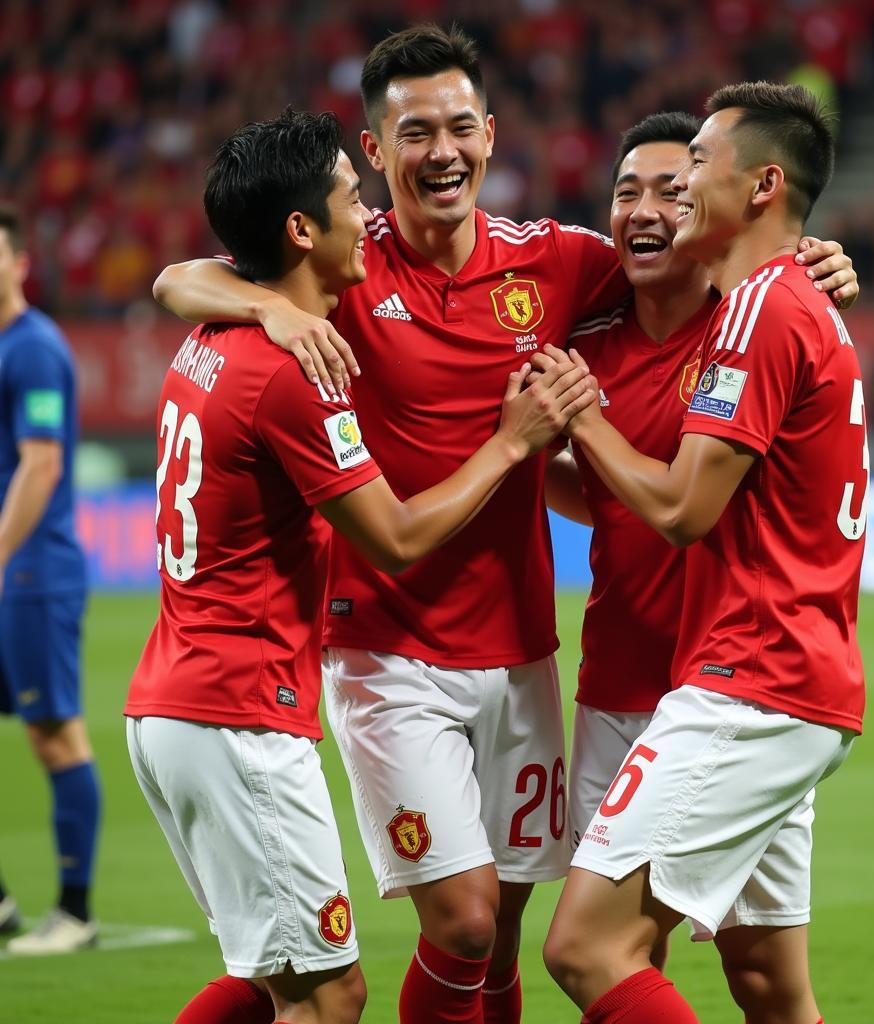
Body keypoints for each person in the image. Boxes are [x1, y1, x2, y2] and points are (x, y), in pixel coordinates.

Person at [152, 26, 858, 1023]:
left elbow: (696, 264)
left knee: (501, 936)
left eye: (458, 127)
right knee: (464, 922)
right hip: (387, 646)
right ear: (373, 148)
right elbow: (177, 281)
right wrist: (268, 310)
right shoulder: (346, 273)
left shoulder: (559, 265)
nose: (440, 151)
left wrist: (810, 256)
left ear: (489, 132)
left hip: (521, 650)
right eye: (413, 133)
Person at [126, 107, 594, 1024]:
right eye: (350, 198)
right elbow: (399, 536)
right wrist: (513, 445)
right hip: (239, 713)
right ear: (303, 228)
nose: (366, 220)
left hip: (180, 702)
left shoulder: (214, 342)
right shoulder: (290, 369)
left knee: (273, 981)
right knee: (329, 997)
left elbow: (180, 283)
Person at [540, 82, 868, 1024]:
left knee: (587, 948)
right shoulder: (791, 298)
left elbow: (683, 509)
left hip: (749, 675)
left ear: (762, 185)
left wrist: (585, 422)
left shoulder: (762, 311)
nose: (677, 193)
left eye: (695, 170)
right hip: (789, 677)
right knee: (769, 983)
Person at [0, 202, 101, 955]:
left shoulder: (32, 350)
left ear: (19, 261)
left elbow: (42, 464)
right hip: (12, 569)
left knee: (54, 735)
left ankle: (74, 911)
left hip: (32, 572)